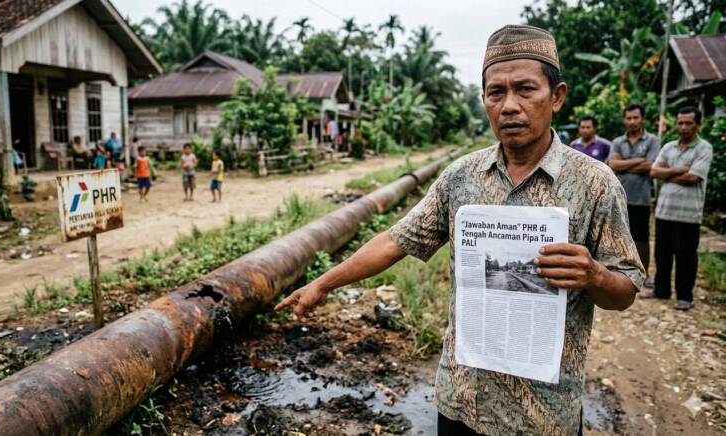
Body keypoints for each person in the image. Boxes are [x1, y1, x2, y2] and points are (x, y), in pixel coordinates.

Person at [276, 24, 644, 436]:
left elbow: (625, 290)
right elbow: (395, 241)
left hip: (544, 414)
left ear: (556, 96)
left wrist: (593, 275)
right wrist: (323, 284)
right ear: (484, 100)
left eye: (525, 90)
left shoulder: (595, 183)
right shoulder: (461, 177)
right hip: (462, 402)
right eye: (495, 93)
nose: (509, 106)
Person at [649, 106, 713, 310]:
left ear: (698, 125)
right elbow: (654, 171)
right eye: (681, 123)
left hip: (688, 215)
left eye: (689, 123)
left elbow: (694, 177)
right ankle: (661, 290)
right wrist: (681, 170)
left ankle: (684, 296)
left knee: (685, 256)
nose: (683, 127)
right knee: (662, 254)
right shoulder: (669, 147)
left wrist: (669, 172)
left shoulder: (704, 148)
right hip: (663, 211)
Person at [609, 104, 661, 288]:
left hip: (641, 198)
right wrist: (640, 161)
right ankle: (619, 273)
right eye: (628, 118)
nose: (632, 121)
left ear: (643, 119)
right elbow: (612, 165)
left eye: (635, 118)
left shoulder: (652, 141)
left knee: (641, 238)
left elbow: (651, 166)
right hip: (619, 198)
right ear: (624, 119)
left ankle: (644, 274)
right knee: (617, 237)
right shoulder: (616, 142)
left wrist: (624, 163)